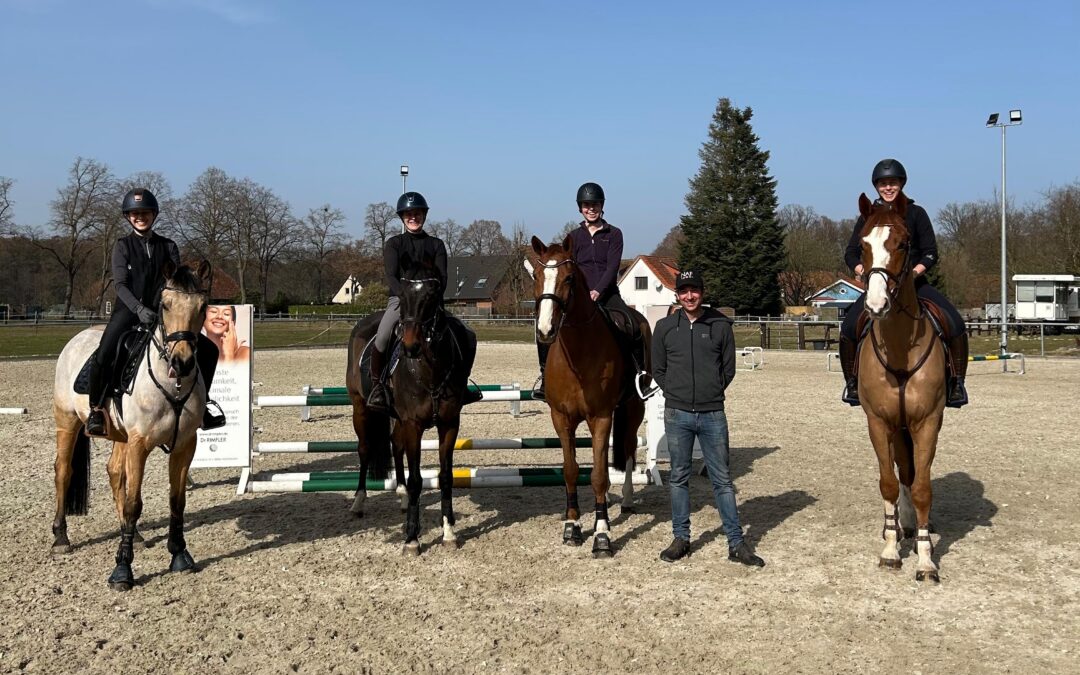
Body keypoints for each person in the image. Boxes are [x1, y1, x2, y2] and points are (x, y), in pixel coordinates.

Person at [86, 188, 226, 437]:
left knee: (210, 350)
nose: (141, 217)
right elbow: (120, 284)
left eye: (146, 213)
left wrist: (164, 307)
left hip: (163, 313)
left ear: (154, 215)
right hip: (129, 311)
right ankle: (96, 409)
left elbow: (175, 282)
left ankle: (203, 407)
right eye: (135, 213)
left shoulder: (168, 246)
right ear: (129, 217)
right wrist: (138, 309)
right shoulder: (123, 247)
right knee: (105, 352)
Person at [651, 269, 765, 566]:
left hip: (713, 413)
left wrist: (709, 392)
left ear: (702, 292)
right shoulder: (664, 327)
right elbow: (658, 369)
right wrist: (676, 393)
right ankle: (681, 538)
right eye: (684, 291)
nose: (689, 296)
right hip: (677, 414)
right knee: (678, 477)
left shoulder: (720, 326)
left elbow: (728, 369)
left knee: (723, 481)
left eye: (694, 290)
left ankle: (736, 543)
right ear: (677, 294)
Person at [839, 159, 969, 408]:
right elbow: (851, 253)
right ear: (877, 187)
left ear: (901, 184)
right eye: (884, 183)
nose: (888, 187)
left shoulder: (916, 213)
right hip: (879, 284)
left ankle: (956, 383)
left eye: (893, 183)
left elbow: (930, 252)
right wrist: (864, 271)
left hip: (915, 285)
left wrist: (914, 272)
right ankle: (852, 383)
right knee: (848, 327)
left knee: (955, 323)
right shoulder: (869, 216)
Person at [531, 182, 649, 401]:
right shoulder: (573, 237)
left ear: (601, 206)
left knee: (630, 324)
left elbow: (612, 267)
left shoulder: (614, 234)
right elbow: (569, 268)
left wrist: (598, 291)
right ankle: (545, 378)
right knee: (545, 326)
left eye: (594, 204)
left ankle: (639, 377)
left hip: (608, 293)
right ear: (580, 208)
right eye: (586, 205)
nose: (591, 208)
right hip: (579, 296)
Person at [366, 191, 482, 412]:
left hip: (430, 304)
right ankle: (377, 386)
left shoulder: (436, 245)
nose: (413, 217)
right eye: (409, 214)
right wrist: (405, 296)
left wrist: (431, 300)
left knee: (467, 335)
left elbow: (443, 277)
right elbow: (390, 275)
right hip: (401, 301)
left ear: (424, 215)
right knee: (382, 335)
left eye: (417, 213)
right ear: (402, 217)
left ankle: (462, 385)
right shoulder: (395, 244)